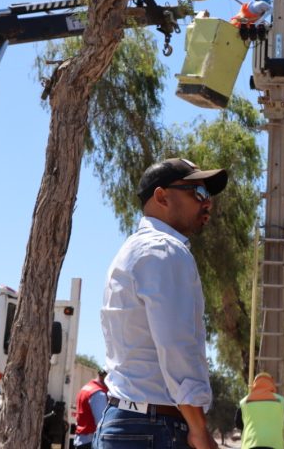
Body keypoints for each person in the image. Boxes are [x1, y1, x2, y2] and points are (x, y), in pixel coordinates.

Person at [95, 158, 228, 449]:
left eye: (209, 196)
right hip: (152, 428)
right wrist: (198, 428)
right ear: (161, 196)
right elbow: (176, 346)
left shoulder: (133, 249)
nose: (207, 204)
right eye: (198, 193)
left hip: (129, 420)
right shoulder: (164, 249)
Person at [234, 372, 284, 449]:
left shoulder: (244, 402)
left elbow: (238, 423)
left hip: (250, 446)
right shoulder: (281, 401)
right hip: (275, 446)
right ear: (272, 384)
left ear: (254, 384)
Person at [74, 369, 108, 447]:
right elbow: (102, 423)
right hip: (90, 442)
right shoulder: (99, 394)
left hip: (81, 440)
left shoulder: (86, 388)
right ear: (105, 376)